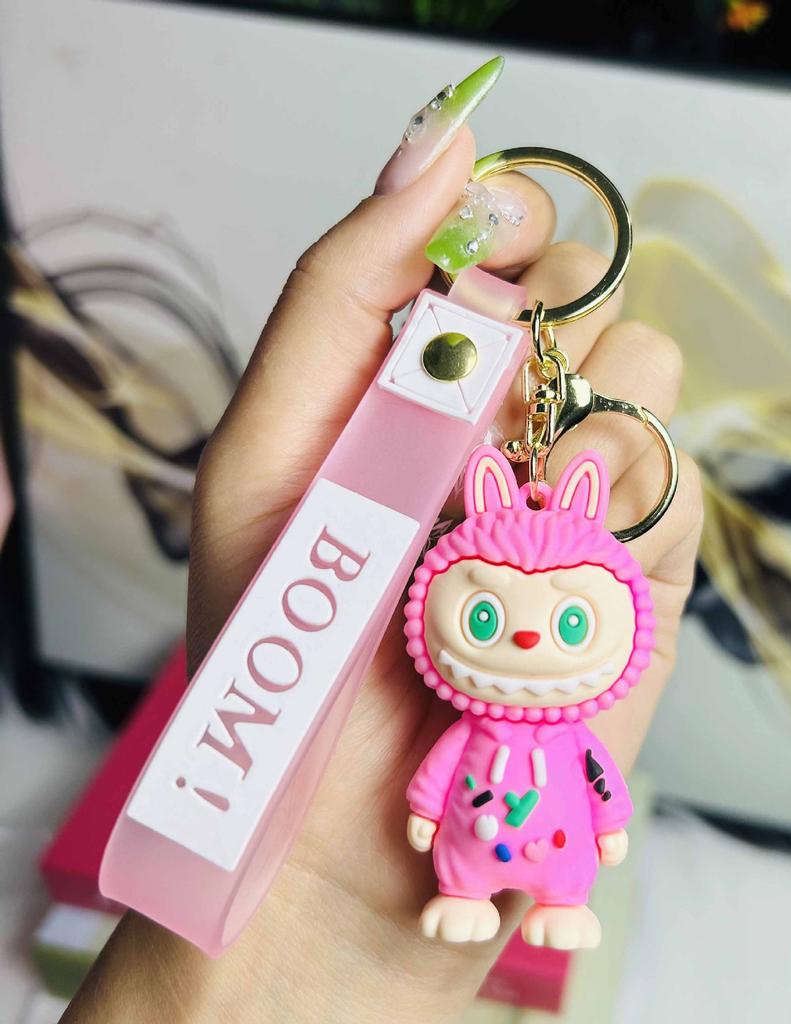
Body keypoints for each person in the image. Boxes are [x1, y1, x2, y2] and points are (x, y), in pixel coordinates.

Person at [63, 72, 703, 1022]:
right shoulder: (440, 673)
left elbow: (597, 781)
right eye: (491, 618)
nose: (531, 641)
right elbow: (437, 784)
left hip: (516, 871)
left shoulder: (555, 713)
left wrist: (600, 826)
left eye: (570, 624)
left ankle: (553, 897)